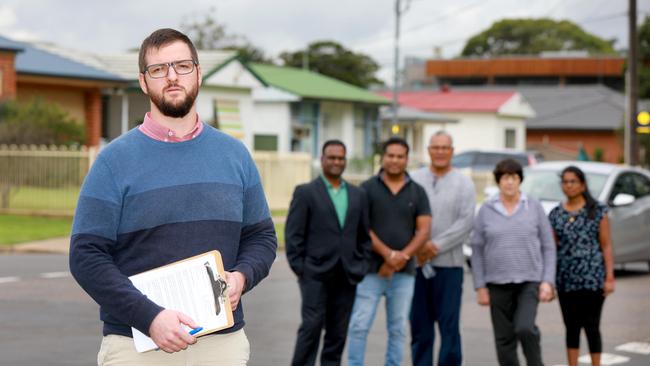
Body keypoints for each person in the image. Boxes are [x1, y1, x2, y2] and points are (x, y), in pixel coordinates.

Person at [69, 28, 277, 366]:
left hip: (221, 345)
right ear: (143, 81)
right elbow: (86, 256)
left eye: (182, 66)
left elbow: (261, 236)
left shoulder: (235, 156)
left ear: (198, 72)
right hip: (136, 345)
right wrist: (149, 317)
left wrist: (242, 276)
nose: (171, 77)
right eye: (158, 69)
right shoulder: (113, 161)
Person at [285, 140, 372, 366]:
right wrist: (302, 270)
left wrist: (361, 265)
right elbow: (293, 236)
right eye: (331, 157)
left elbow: (364, 236)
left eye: (340, 158)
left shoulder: (358, 194)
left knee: (338, 333)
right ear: (322, 160)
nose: (336, 162)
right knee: (311, 329)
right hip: (315, 274)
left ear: (345, 161)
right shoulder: (306, 192)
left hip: (347, 275)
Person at [347, 137, 432, 366]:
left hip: (404, 274)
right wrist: (388, 255)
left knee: (398, 330)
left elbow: (423, 231)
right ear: (383, 158)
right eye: (390, 155)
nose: (395, 160)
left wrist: (400, 258)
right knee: (359, 326)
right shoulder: (366, 189)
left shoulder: (418, 192)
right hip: (369, 272)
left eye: (400, 156)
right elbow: (362, 227)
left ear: (407, 159)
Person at [470, 158, 556, 366]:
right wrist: (480, 286)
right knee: (504, 338)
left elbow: (548, 246)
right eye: (505, 178)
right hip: (497, 283)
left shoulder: (533, 206)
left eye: (514, 177)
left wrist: (547, 281)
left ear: (520, 180)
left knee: (524, 328)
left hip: (529, 281)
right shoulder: (487, 209)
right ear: (498, 181)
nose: (509, 182)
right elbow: (477, 249)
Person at [409, 131, 476, 366]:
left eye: (444, 148)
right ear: (428, 150)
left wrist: (434, 245)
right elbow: (405, 216)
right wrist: (418, 247)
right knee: (420, 327)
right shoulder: (414, 179)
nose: (440, 152)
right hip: (416, 266)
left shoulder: (464, 183)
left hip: (449, 267)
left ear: (452, 151)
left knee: (449, 328)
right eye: (435, 147)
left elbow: (466, 222)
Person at [548, 166, 615, 366]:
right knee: (571, 326)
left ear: (582, 184)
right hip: (566, 279)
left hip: (593, 277)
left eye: (573, 181)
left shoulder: (598, 211)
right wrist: (549, 280)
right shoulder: (556, 214)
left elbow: (606, 244)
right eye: (565, 182)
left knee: (592, 326)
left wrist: (609, 277)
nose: (568, 186)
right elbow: (551, 249)